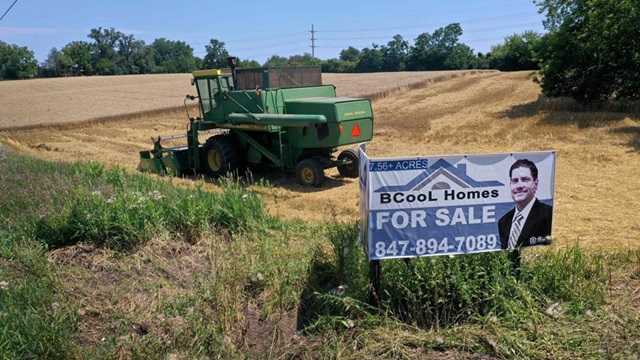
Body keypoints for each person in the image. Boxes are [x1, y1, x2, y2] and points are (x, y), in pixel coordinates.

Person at [498, 159, 553, 250]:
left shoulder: (548, 214)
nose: (519, 185)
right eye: (515, 181)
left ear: (535, 183)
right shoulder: (503, 222)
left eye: (525, 180)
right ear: (510, 184)